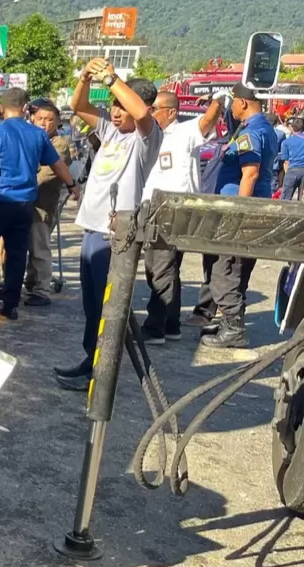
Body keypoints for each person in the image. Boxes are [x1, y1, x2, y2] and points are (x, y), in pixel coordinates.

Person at [55, 59, 162, 391]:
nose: (115, 113)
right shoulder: (110, 129)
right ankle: (91, 361)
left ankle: (99, 373)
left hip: (115, 236)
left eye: (121, 107)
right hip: (92, 228)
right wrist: (86, 77)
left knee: (106, 306)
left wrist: (113, 78)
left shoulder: (147, 138)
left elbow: (142, 114)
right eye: (113, 106)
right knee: (91, 306)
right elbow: (77, 105)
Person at [0, 88, 80, 320]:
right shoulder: (37, 135)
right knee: (17, 254)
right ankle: (10, 305)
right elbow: (58, 165)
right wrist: (72, 185)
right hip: (24, 205)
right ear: (26, 108)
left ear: (1, 108)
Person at [186, 83, 281, 349]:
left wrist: (237, 212)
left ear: (242, 103)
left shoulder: (252, 133)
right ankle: (231, 321)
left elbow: (249, 173)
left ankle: (234, 328)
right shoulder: (264, 129)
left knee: (224, 268)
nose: (233, 109)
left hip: (238, 213)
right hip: (249, 209)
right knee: (236, 268)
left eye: (234, 103)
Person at [137, 90, 227, 345]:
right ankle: (171, 324)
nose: (150, 113)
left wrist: (219, 98)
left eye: (155, 108)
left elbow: (208, 121)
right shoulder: (150, 134)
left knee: (161, 268)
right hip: (154, 207)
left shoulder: (185, 132)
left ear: (171, 112)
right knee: (163, 268)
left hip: (175, 209)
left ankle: (155, 327)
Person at [22, 103, 74, 307]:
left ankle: (41, 289)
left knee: (39, 248)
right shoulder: (28, 138)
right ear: (33, 119)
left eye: (50, 120)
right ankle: (26, 283)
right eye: (40, 119)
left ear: (58, 122)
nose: (44, 123)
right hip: (21, 202)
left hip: (42, 203)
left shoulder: (59, 145)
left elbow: (45, 175)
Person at [280, 117, 304, 201]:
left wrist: (287, 174)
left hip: (292, 171)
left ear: (292, 128)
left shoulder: (286, 142)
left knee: (285, 199)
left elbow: (286, 161)